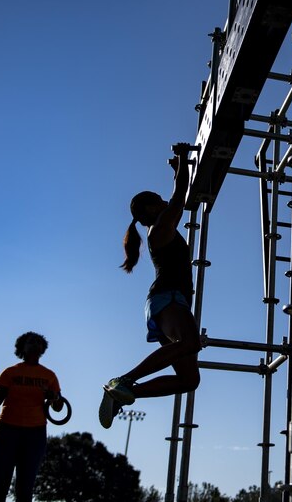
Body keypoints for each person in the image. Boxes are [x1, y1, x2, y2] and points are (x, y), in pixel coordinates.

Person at [99, 142, 202, 428]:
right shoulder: (160, 228)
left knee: (189, 380)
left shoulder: (159, 228)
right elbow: (180, 195)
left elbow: (176, 193)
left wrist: (178, 169)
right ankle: (125, 379)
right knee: (190, 343)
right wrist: (182, 158)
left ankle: (124, 394)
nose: (165, 201)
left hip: (167, 301)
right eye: (159, 199)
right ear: (149, 209)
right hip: (168, 298)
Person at [0, 331, 63, 502]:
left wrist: (54, 397)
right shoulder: (10, 372)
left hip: (35, 434)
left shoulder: (49, 375)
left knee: (25, 489)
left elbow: (59, 407)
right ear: (22, 347)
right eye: (31, 342)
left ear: (43, 349)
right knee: (0, 487)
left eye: (39, 342)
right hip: (7, 431)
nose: (35, 345)